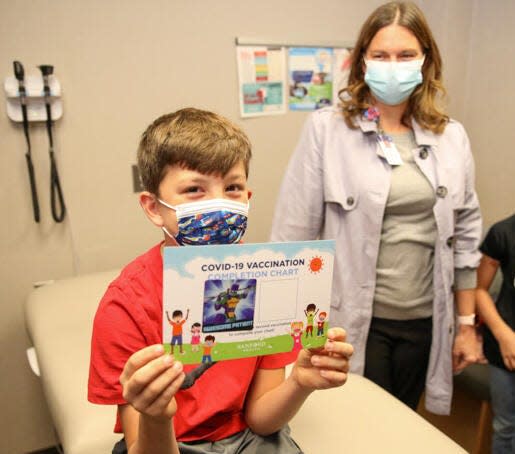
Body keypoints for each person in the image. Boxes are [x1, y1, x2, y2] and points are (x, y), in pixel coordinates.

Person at [88, 107, 353, 454]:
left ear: (248, 198)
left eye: (232, 187)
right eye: (195, 190)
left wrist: (301, 383)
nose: (219, 205)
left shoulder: (270, 279)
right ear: (154, 207)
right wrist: (155, 416)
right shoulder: (125, 306)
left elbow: (261, 419)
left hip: (249, 438)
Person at [271, 1, 482, 414]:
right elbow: (291, 238)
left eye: (405, 55)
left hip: (425, 320)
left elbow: (467, 238)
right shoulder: (328, 130)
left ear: (425, 61)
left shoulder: (451, 137)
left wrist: (468, 326)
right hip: (350, 320)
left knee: (401, 420)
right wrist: (286, 333)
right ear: (362, 61)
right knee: (351, 422)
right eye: (381, 55)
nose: (393, 66)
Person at [476, 213, 515, 454]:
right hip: (506, 349)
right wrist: (504, 336)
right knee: (506, 426)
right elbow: (479, 290)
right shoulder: (503, 232)